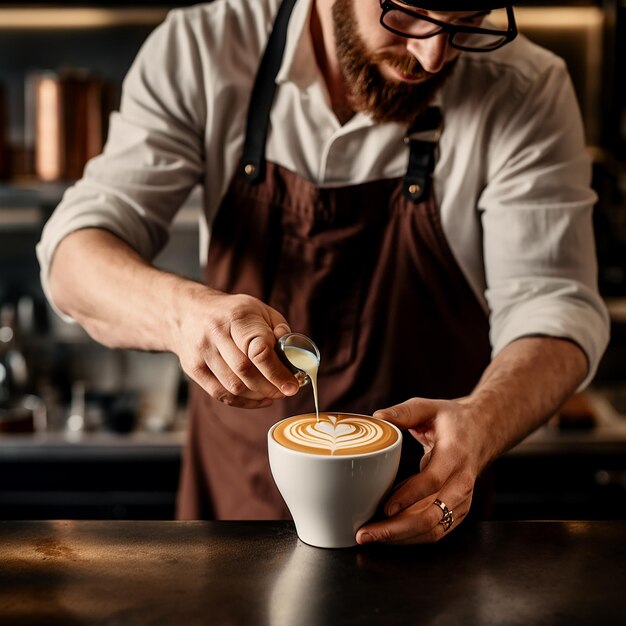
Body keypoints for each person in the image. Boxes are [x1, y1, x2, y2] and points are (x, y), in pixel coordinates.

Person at [37, 0, 609, 544]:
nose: (434, 56)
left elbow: (556, 307)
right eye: (408, 11)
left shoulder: (526, 87)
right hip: (233, 522)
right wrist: (181, 315)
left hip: (424, 528)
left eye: (468, 21)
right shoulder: (204, 48)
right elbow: (74, 255)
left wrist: (482, 422)